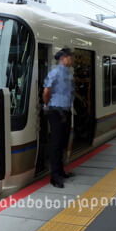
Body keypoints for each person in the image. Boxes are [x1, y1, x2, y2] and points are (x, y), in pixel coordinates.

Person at [43, 47, 75, 188]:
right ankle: (54, 177)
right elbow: (46, 91)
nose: (72, 59)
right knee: (56, 144)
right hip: (56, 111)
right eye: (70, 57)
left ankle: (61, 171)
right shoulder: (55, 72)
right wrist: (49, 105)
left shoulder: (68, 73)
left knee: (63, 141)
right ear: (63, 58)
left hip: (66, 110)